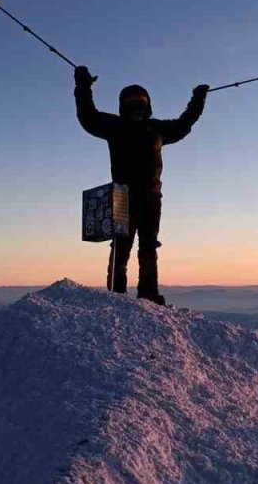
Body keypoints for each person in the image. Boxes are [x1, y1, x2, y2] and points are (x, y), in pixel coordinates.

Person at [74, 65, 207, 305]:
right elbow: (88, 116)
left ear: (147, 105)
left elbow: (184, 123)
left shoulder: (155, 128)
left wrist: (197, 101)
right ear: (123, 106)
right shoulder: (115, 126)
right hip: (122, 196)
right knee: (121, 248)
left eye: (140, 102)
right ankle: (118, 295)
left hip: (150, 197)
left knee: (147, 247)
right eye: (132, 102)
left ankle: (148, 295)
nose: (136, 106)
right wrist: (82, 87)